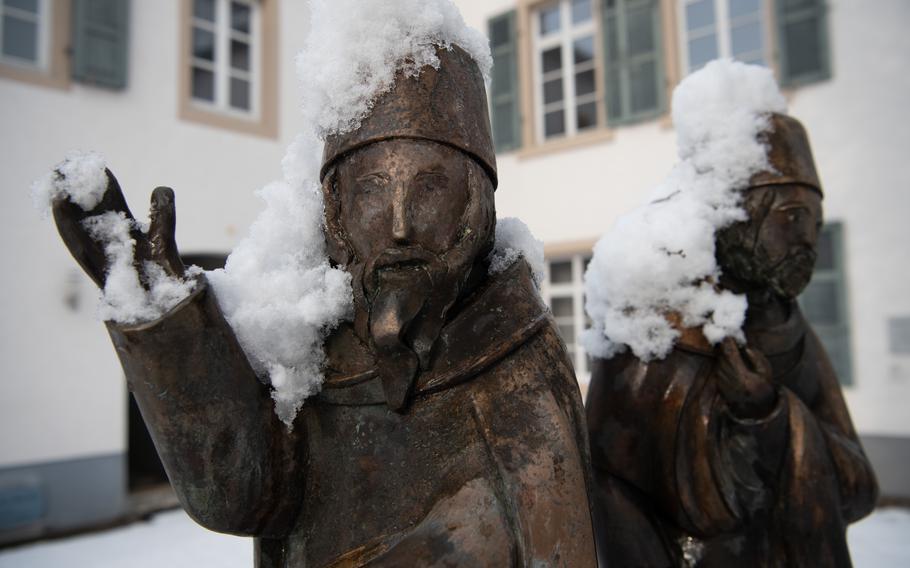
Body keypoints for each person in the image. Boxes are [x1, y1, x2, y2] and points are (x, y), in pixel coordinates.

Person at [51, 45, 597, 567]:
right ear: (338, 208)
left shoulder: (517, 357)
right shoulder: (320, 353)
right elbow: (243, 496)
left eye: (429, 188)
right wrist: (157, 308)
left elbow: (560, 545)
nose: (400, 225)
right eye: (374, 191)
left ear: (473, 205)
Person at [586, 114, 878, 567]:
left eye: (816, 225)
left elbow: (857, 486)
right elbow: (614, 487)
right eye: (792, 218)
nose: (808, 243)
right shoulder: (654, 328)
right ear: (734, 214)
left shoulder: (791, 327)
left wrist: (768, 414)